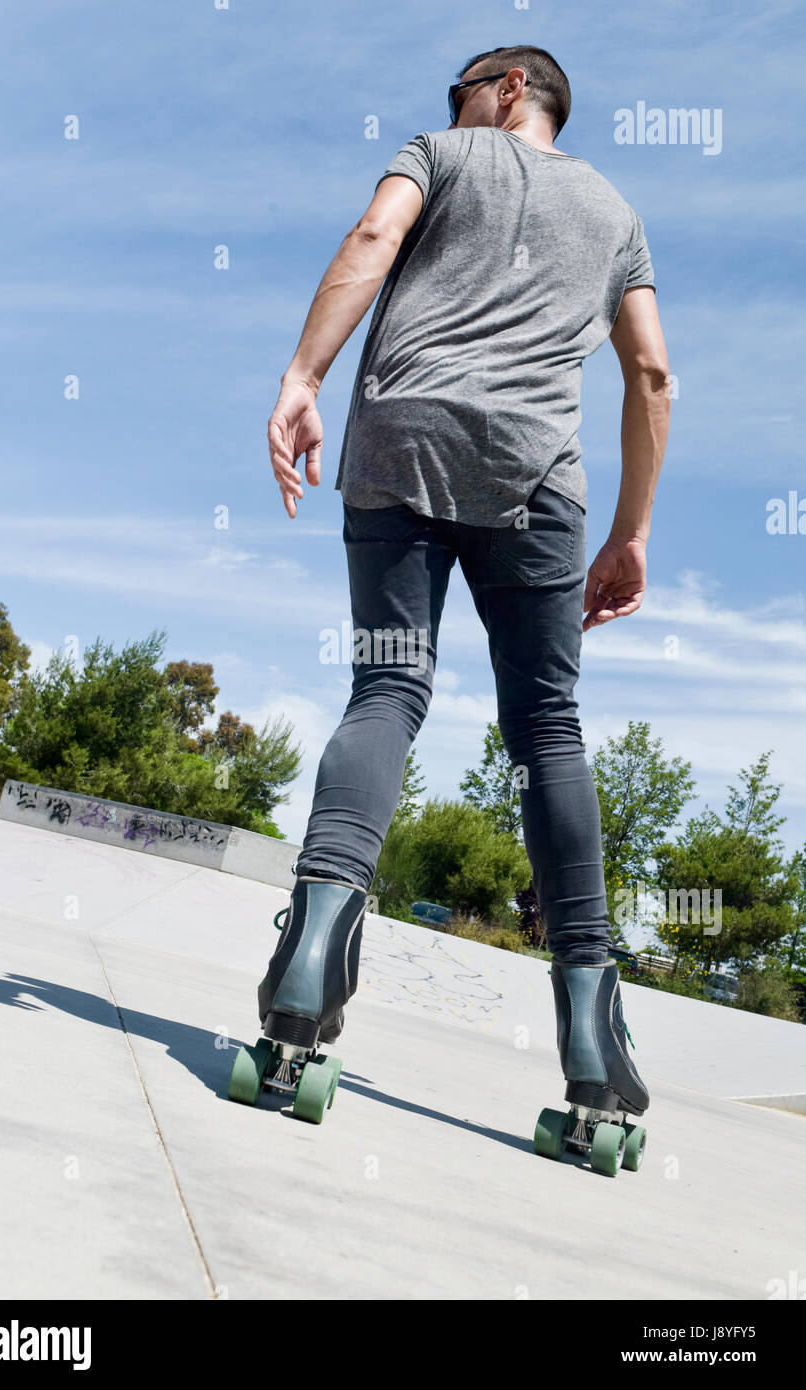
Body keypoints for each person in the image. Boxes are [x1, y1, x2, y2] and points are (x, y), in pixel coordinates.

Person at [255, 45, 669, 1155]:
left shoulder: (439, 154)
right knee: (546, 726)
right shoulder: (617, 213)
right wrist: (628, 533)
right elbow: (649, 375)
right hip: (538, 478)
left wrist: (302, 378)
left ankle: (312, 952)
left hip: (401, 438)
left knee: (387, 686)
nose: (448, 107)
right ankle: (591, 1035)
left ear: (509, 89)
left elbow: (372, 237)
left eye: (461, 90)